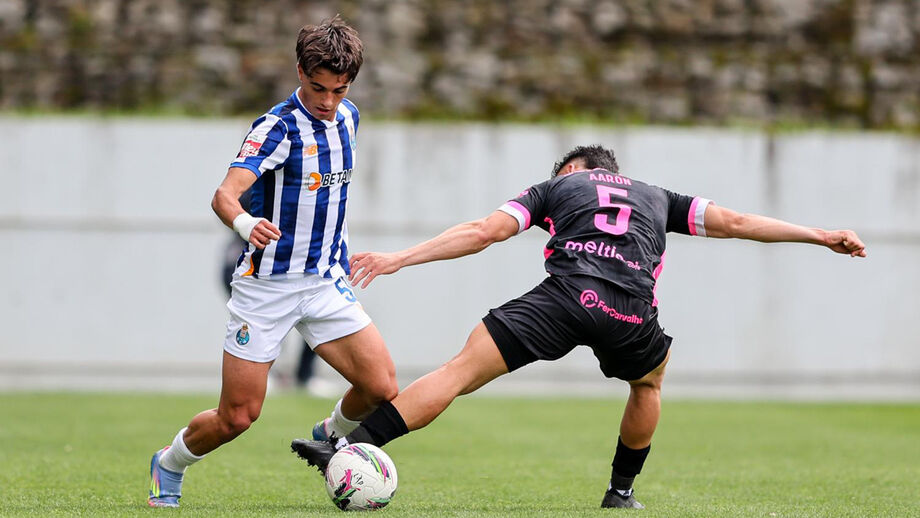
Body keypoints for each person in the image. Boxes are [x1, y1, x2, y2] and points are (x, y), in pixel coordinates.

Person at [290, 144, 867, 509]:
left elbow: (485, 231)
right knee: (649, 383)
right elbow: (737, 222)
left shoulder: (557, 187)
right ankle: (621, 493)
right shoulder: (659, 197)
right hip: (629, 309)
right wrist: (821, 235)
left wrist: (399, 258)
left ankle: (349, 446)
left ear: (580, 171)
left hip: (563, 297)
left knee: (460, 371)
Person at [147, 16, 398, 508]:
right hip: (267, 287)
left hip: (324, 281)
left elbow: (329, 197)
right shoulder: (276, 127)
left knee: (380, 386)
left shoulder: (350, 118)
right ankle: (169, 463)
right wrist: (245, 224)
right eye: (317, 87)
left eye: (340, 90)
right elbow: (225, 195)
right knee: (237, 416)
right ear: (299, 71)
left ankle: (330, 435)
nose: (328, 102)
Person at [220, 193, 318, 390]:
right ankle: (268, 375)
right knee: (263, 325)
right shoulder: (253, 187)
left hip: (294, 268)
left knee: (316, 315)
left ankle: (304, 376)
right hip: (253, 270)